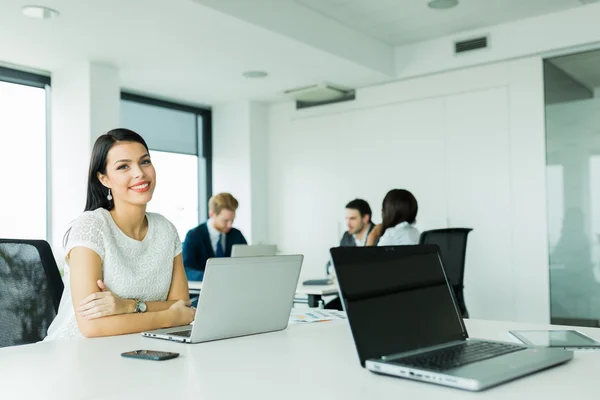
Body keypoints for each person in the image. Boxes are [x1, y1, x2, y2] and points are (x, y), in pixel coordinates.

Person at [44, 129, 195, 340]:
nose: (140, 173)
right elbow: (92, 327)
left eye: (145, 162)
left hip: (140, 346)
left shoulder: (166, 229)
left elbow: (182, 306)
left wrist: (127, 306)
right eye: (123, 166)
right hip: (80, 352)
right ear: (104, 178)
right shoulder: (91, 226)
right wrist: (169, 317)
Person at [182, 193, 247, 282]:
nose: (230, 225)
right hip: (203, 290)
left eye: (232, 220)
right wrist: (212, 277)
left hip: (233, 287)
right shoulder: (194, 236)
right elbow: (185, 270)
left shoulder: (236, 235)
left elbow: (247, 263)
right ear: (212, 214)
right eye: (226, 220)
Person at [326, 199, 376, 275]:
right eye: (346, 218)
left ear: (365, 218)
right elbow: (331, 264)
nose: (348, 223)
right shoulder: (347, 236)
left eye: (352, 218)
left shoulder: (380, 234)